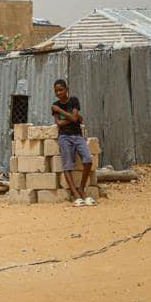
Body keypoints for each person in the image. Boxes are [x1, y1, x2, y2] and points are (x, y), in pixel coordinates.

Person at [52, 79, 96, 207]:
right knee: (68, 166)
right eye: (56, 91)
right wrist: (72, 117)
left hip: (77, 136)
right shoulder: (54, 104)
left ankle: (82, 189)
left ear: (66, 89)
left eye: (61, 90)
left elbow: (75, 118)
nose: (58, 93)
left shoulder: (73, 100)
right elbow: (60, 123)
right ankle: (76, 195)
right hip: (64, 137)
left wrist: (61, 111)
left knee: (88, 159)